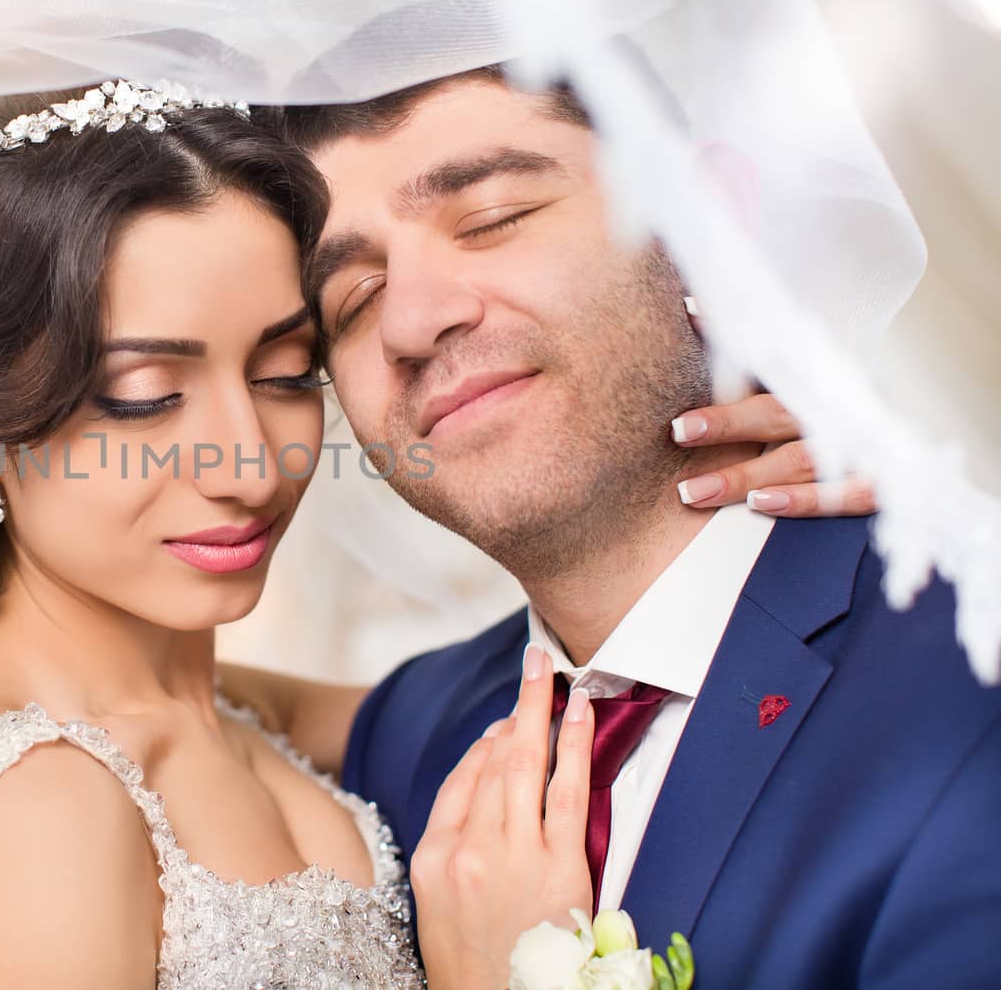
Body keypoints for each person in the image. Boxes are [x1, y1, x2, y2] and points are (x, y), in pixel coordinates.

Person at [0, 81, 843, 989]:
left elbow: (610, 672)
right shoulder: (20, 806)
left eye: (285, 372)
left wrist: (894, 487)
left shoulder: (238, 715)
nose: (249, 464)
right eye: (142, 396)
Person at [235, 66, 1001, 989]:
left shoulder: (971, 675)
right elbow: (148, 700)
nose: (409, 320)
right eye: (350, 303)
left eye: (491, 219)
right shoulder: (414, 734)